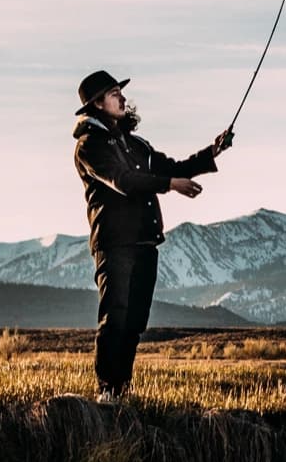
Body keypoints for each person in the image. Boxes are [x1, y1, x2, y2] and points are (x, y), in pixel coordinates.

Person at [72, 70, 233, 404]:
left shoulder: (135, 144)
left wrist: (212, 152)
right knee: (114, 315)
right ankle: (106, 391)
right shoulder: (89, 146)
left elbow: (169, 166)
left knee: (134, 321)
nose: (122, 98)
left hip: (145, 241)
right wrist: (171, 185)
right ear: (97, 103)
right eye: (115, 93)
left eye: (120, 92)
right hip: (115, 242)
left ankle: (121, 391)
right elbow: (124, 181)